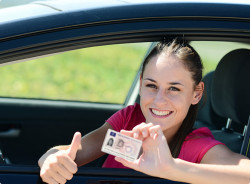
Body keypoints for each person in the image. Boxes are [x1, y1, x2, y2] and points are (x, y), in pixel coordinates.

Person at [38, 39, 250, 184]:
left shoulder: (197, 146)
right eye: (151, 86)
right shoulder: (129, 121)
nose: (159, 100)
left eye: (174, 89)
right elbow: (74, 152)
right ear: (140, 84)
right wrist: (51, 158)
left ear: (196, 93)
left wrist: (171, 168)